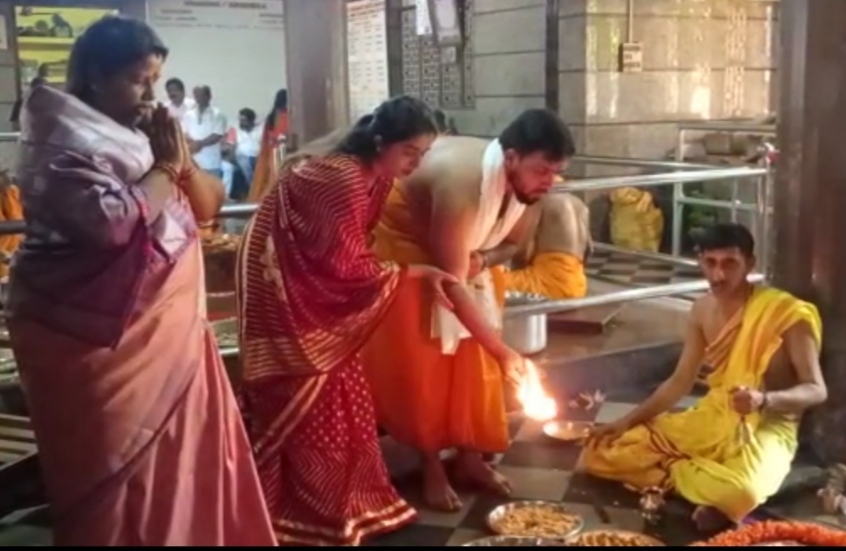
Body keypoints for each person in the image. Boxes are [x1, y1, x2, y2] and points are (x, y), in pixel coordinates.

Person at [5, 15, 275, 546]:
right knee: (117, 471)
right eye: (138, 80)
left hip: (169, 332)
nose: (151, 94)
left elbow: (208, 205)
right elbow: (109, 225)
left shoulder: (144, 135)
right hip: (96, 340)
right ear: (94, 76)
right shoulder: (58, 138)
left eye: (155, 79)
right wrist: (166, 169)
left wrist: (176, 160)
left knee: (182, 464)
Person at [237, 95, 455, 546]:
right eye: (409, 152)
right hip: (287, 299)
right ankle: (286, 510)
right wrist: (413, 271)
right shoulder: (341, 178)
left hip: (316, 297)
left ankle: (346, 501)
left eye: (423, 154)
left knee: (343, 396)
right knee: (306, 401)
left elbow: (349, 250)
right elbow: (345, 266)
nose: (416, 164)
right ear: (380, 142)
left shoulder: (376, 176)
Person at [362, 109, 576, 511]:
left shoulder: (531, 187)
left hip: (464, 258)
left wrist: (483, 259)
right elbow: (450, 282)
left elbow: (511, 245)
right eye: (542, 170)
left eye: (556, 172)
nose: (549, 181)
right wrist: (504, 352)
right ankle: (431, 465)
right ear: (510, 158)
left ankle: (469, 457)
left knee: (475, 363)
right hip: (408, 245)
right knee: (426, 365)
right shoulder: (462, 187)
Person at [583, 223, 827, 533]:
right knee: (599, 453)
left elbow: (816, 390)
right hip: (713, 416)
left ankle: (676, 474)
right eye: (710, 263)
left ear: (750, 264)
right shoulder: (701, 311)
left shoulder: (786, 314)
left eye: (730, 264)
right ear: (700, 261)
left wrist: (764, 400)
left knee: (742, 493)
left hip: (769, 424)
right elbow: (680, 381)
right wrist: (626, 422)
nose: (718, 275)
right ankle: (689, 476)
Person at [502, 184, 591, 299]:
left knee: (490, 281)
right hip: (578, 285)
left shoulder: (540, 200)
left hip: (549, 284)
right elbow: (589, 250)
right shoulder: (580, 204)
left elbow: (524, 249)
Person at [246, 88, 289, 202]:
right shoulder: (286, 115)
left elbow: (266, 138)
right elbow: (283, 135)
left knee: (271, 178)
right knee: (279, 179)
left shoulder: (271, 116)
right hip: (282, 152)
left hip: (271, 152)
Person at [183, 85, 227, 179]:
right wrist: (192, 143)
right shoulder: (188, 114)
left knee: (212, 187)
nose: (199, 98)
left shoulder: (218, 115)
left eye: (202, 95)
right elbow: (184, 133)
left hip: (211, 163)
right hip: (193, 162)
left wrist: (199, 144)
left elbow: (217, 135)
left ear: (209, 96)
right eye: (197, 96)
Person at [233, 107, 263, 188]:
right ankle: (252, 187)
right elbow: (231, 145)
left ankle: (259, 188)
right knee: (246, 165)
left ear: (251, 120)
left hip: (258, 155)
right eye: (240, 120)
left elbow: (264, 143)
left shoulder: (260, 129)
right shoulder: (235, 129)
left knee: (263, 166)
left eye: (244, 120)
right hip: (242, 155)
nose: (241, 122)